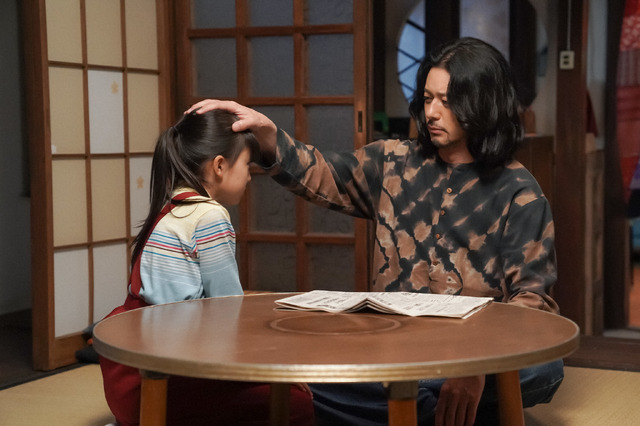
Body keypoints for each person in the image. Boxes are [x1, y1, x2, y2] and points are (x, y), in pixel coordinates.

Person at [187, 37, 564, 425]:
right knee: (300, 360)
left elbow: (532, 303)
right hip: (390, 346)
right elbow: (322, 174)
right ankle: (422, 407)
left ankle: (404, 403)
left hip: (471, 349)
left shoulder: (519, 192)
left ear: (481, 103)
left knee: (544, 368)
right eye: (427, 98)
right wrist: (267, 133)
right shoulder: (393, 161)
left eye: (447, 101)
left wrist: (478, 363)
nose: (431, 112)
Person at [98, 110, 314, 426]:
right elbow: (228, 312)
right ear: (220, 166)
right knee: (297, 403)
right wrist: (279, 367)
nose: (250, 177)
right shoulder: (210, 217)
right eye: (247, 165)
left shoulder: (170, 207)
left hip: (131, 376)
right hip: (168, 376)